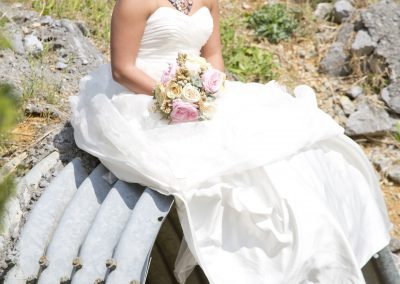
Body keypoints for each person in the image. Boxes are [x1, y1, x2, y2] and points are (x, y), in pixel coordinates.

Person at [70, 0, 392, 283]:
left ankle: (313, 247)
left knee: (281, 146)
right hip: (144, 96)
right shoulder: (134, 2)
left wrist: (210, 94)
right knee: (209, 169)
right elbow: (122, 69)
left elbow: (213, 54)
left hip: (196, 93)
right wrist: (170, 97)